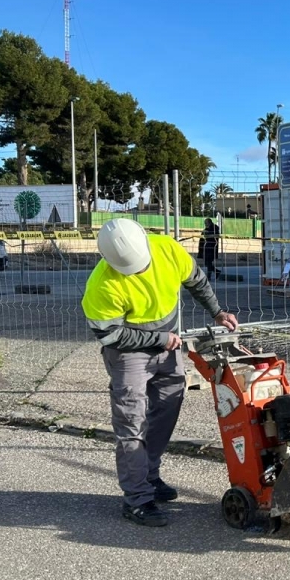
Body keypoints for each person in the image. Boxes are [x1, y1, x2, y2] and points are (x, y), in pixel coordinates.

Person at [82, 219, 238, 526]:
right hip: (128, 353)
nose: (138, 271)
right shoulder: (101, 286)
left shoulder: (167, 249)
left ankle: (149, 475)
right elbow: (111, 336)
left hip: (168, 345)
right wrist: (159, 339)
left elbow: (196, 280)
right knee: (131, 423)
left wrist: (217, 312)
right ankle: (137, 499)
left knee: (167, 408)